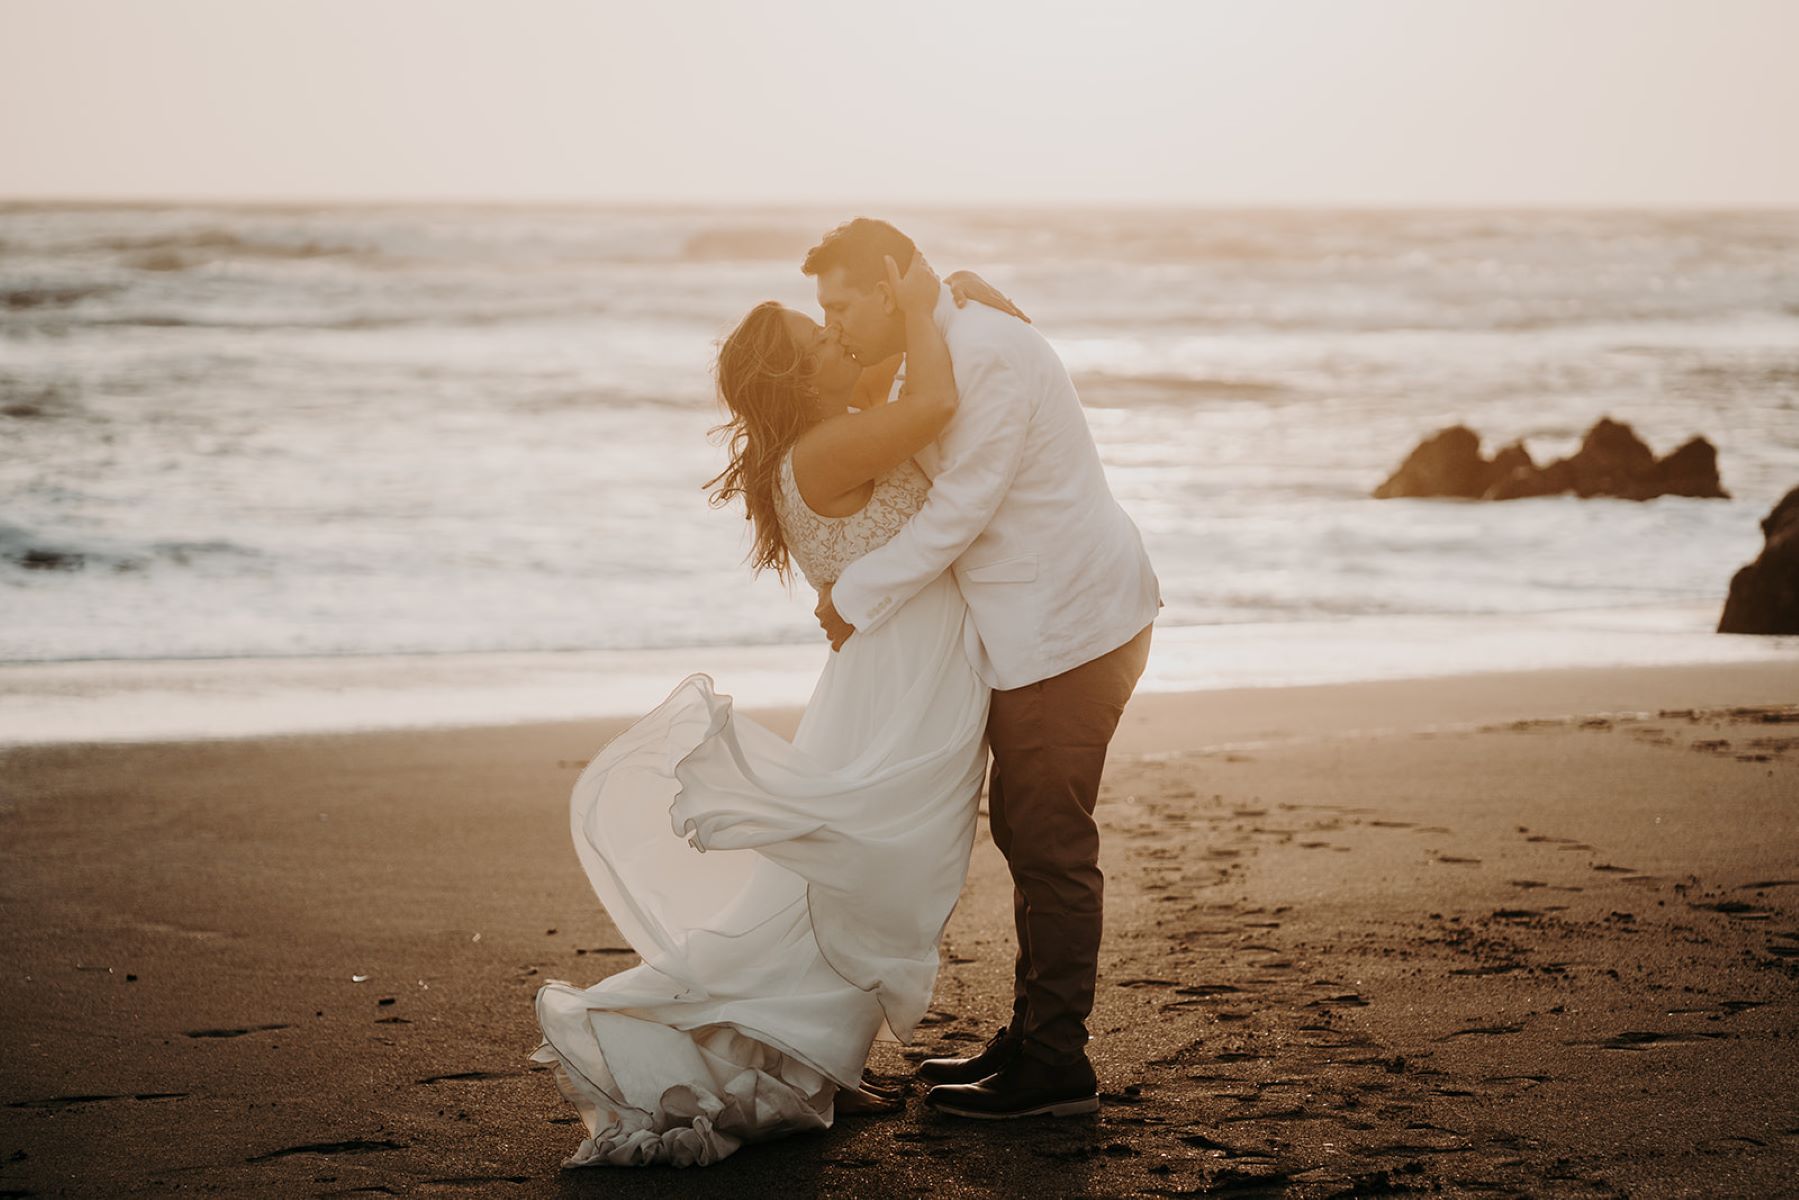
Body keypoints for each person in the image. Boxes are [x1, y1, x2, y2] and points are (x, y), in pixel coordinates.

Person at [529, 251, 1024, 1167]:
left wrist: (958, 302)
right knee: (865, 871)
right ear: (804, 377)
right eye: (819, 337)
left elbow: (895, 363)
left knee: (850, 874)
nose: (838, 335)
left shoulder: (830, 427)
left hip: (895, 674)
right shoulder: (832, 445)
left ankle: (819, 1056)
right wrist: (921, 300)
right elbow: (937, 403)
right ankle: (796, 1051)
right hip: (899, 683)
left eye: (833, 322)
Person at [808, 218, 1161, 1121]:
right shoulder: (948, 336)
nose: (835, 322)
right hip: (1036, 625)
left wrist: (856, 593)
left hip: (1073, 624)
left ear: (890, 282)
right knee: (1021, 828)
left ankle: (1056, 1067)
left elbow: (963, 502)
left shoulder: (989, 351)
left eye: (842, 303)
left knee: (1049, 842)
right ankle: (1030, 1037)